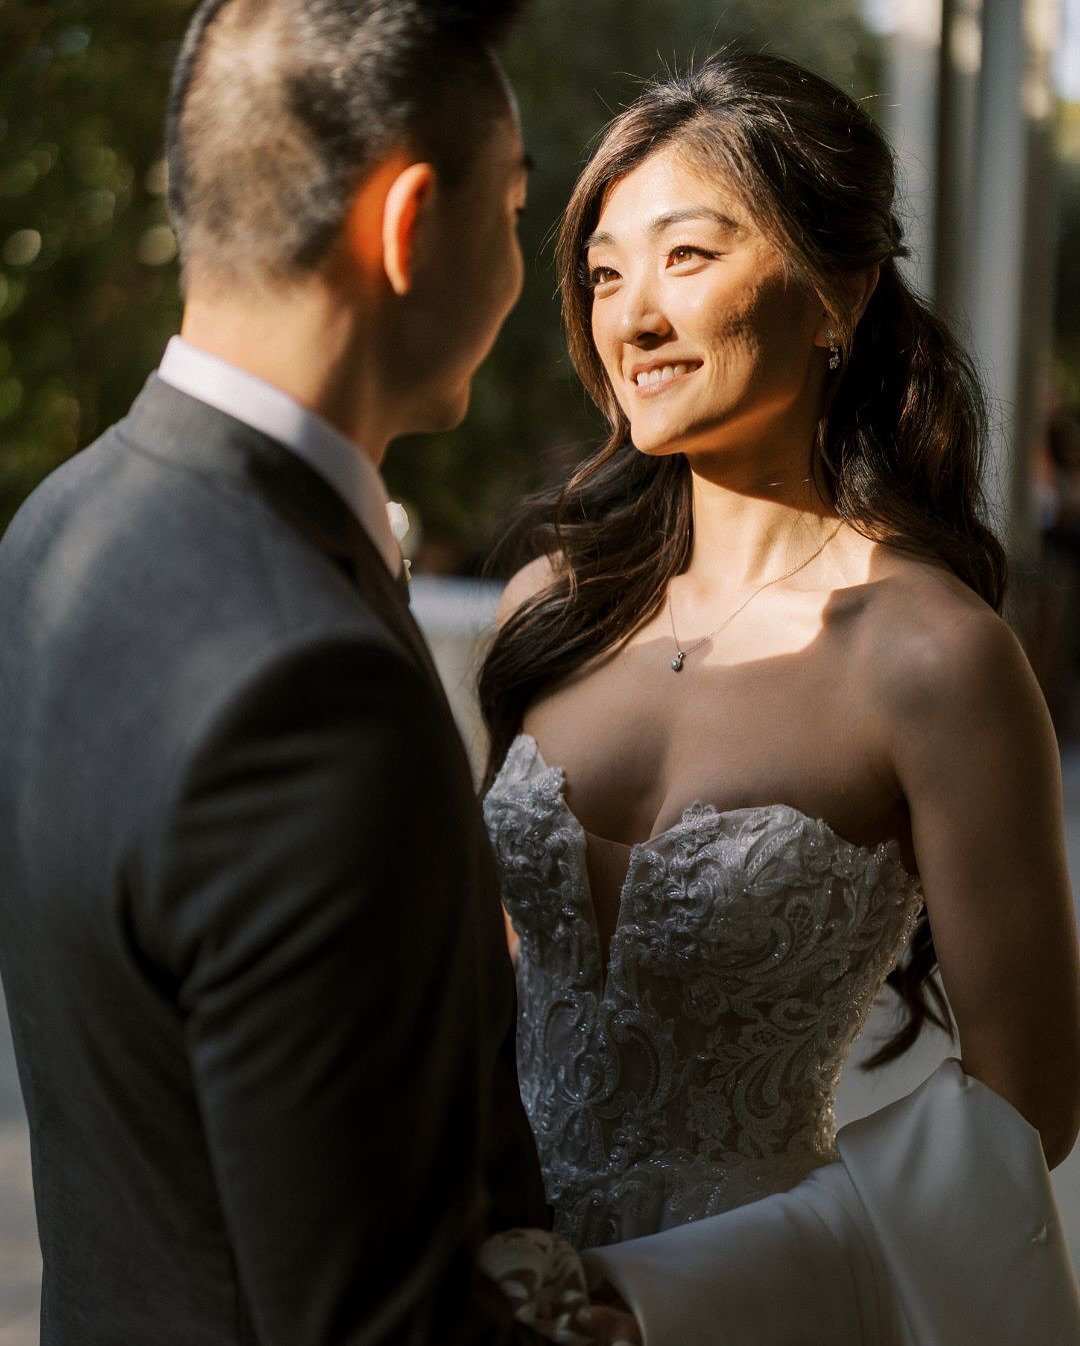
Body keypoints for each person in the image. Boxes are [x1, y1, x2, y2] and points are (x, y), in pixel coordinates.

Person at [0, 2, 642, 1343]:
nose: (533, 273)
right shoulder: (311, 693)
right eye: (516, 211)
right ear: (407, 227)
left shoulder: (54, 528)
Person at [480, 51, 1080, 1343]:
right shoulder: (551, 604)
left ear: (837, 293)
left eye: (685, 257)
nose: (630, 314)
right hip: (481, 1295)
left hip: (749, 1306)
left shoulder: (933, 659)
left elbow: (1027, 1101)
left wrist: (685, 1302)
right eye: (601, 274)